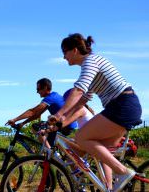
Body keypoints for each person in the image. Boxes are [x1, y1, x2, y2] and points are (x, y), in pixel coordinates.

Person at [52, 33, 142, 191]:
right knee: (101, 154)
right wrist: (62, 118)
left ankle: (122, 172)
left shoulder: (91, 61)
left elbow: (79, 90)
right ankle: (109, 188)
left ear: (74, 50)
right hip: (125, 106)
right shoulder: (91, 64)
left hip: (122, 105)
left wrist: (59, 115)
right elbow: (83, 100)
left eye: (64, 52)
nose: (63, 57)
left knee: (81, 137)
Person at [6, 78, 78, 148]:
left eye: (38, 89)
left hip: (65, 125)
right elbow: (37, 115)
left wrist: (14, 120)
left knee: (36, 127)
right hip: (67, 124)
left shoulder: (50, 98)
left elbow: (32, 111)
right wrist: (23, 123)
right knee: (44, 134)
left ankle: (50, 153)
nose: (37, 92)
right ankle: (49, 151)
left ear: (45, 88)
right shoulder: (54, 95)